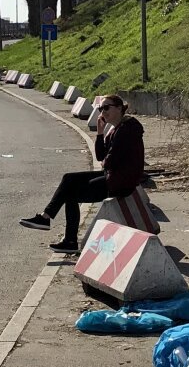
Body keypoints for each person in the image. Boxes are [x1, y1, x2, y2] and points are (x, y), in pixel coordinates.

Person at [19, 94, 145, 254]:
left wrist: (106, 161)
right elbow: (101, 156)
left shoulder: (127, 130)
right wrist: (100, 133)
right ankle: (46, 218)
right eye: (100, 108)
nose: (103, 112)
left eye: (107, 107)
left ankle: (67, 239)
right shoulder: (116, 129)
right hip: (113, 176)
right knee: (69, 178)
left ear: (119, 108)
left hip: (120, 182)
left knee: (71, 194)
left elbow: (109, 161)